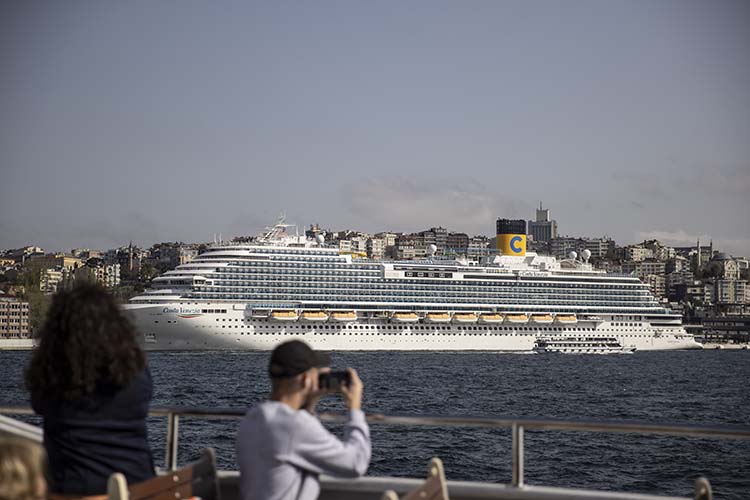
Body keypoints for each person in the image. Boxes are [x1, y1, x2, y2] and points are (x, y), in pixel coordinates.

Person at [25, 284, 155, 496]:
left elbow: (39, 404)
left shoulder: (54, 375)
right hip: (139, 486)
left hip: (73, 488)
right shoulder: (136, 372)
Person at [236, 340, 371, 500]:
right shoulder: (296, 425)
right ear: (305, 380)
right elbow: (356, 464)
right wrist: (354, 407)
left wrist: (310, 400)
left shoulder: (253, 416)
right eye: (316, 374)